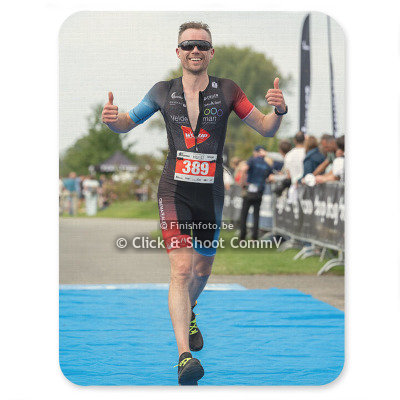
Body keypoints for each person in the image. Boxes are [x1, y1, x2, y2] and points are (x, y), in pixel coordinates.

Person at [101, 21, 287, 385]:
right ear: (178, 52)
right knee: (182, 270)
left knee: (202, 270)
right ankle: (184, 357)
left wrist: (278, 111)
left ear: (211, 52)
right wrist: (111, 121)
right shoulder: (161, 91)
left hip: (210, 194)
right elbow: (125, 123)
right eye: (188, 45)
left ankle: (191, 309)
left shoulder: (229, 90)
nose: (195, 50)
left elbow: (265, 127)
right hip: (174, 192)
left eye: (201, 45)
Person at [239, 145, 273, 241]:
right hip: (259, 191)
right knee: (256, 214)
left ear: (256, 152)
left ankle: (242, 237)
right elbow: (270, 177)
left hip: (249, 190)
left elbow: (244, 169)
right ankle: (254, 237)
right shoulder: (266, 164)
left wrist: (242, 182)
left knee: (244, 214)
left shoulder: (252, 160)